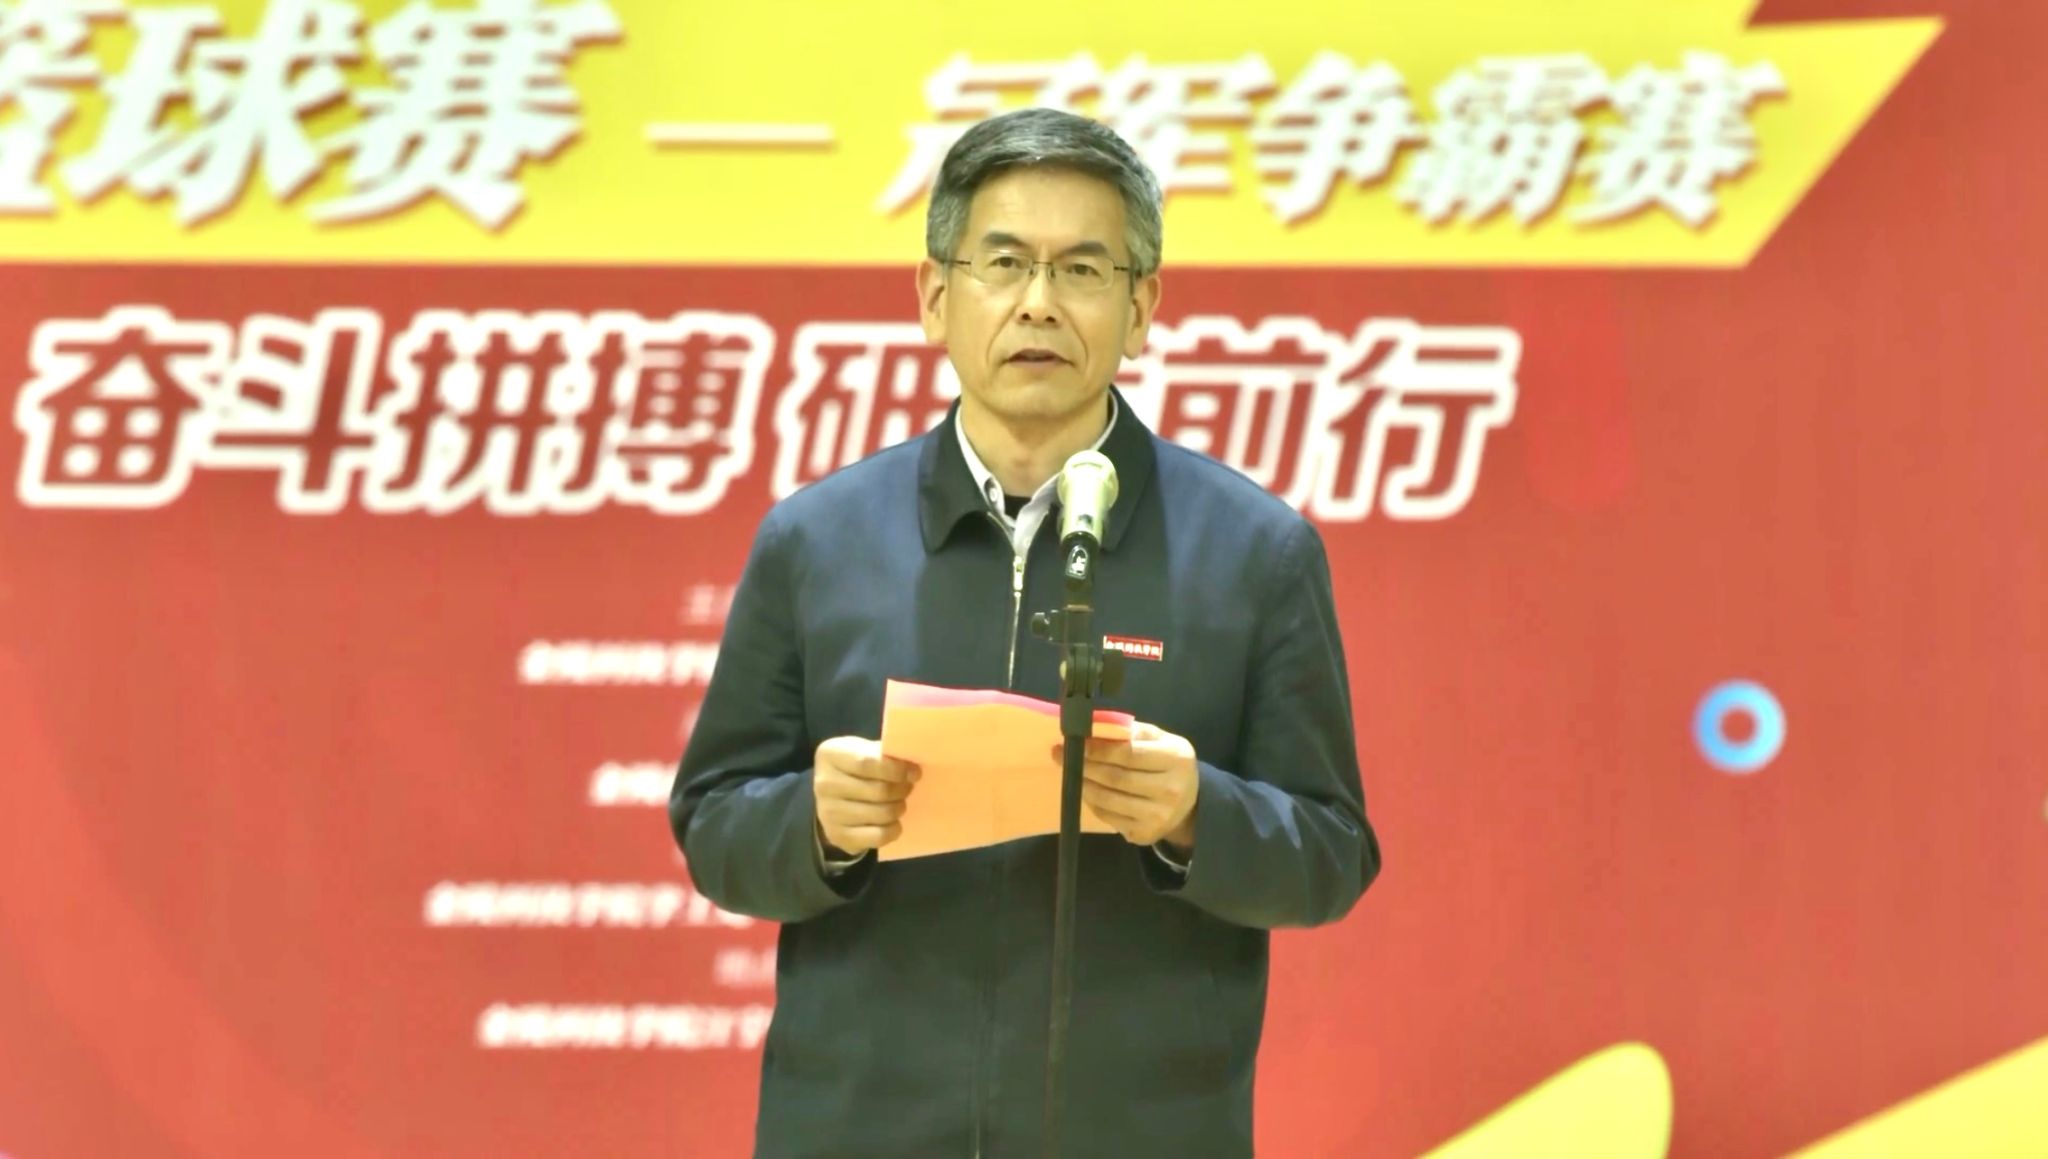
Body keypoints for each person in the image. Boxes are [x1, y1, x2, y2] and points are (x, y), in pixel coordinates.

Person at [670, 106, 1380, 1158]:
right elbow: (713, 823)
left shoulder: (1254, 552)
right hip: (860, 1126)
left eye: (1082, 269)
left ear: (1140, 308)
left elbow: (1330, 852)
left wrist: (1196, 813)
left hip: (1142, 1133)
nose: (1037, 302)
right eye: (1003, 263)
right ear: (935, 296)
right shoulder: (816, 540)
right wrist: (815, 823)